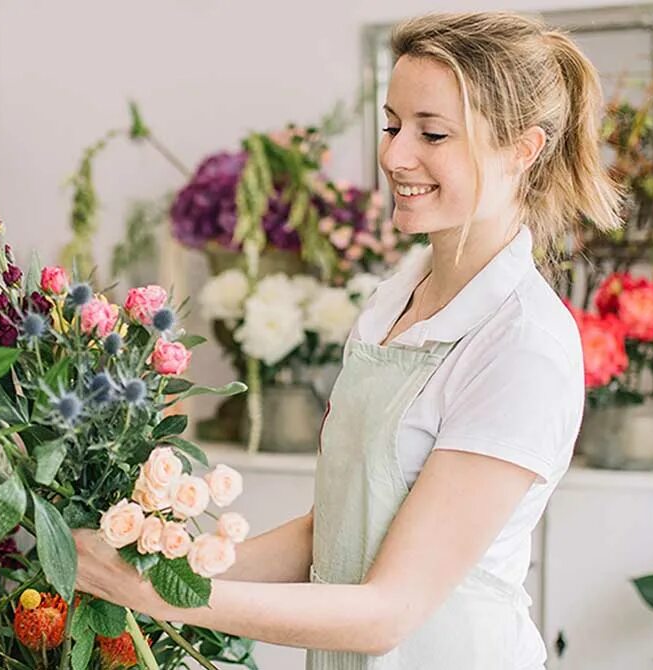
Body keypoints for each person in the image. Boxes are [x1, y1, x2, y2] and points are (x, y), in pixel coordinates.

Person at [73, 11, 622, 669]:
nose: (393, 155)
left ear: (522, 149)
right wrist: (162, 561)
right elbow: (332, 529)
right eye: (391, 125)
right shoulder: (394, 297)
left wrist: (159, 595)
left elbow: (386, 611)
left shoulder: (521, 346)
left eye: (433, 133)